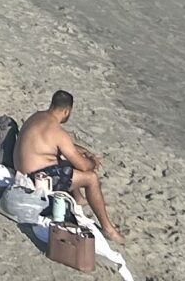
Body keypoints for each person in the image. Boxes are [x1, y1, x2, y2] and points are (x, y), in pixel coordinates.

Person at [15, 91, 122, 244]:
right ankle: (108, 229)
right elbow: (83, 166)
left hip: (23, 170)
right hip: (36, 179)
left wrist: (82, 150)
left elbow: (53, 144)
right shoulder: (58, 132)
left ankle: (78, 198)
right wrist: (93, 162)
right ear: (67, 111)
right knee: (91, 178)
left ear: (52, 104)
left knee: (66, 163)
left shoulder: (37, 117)